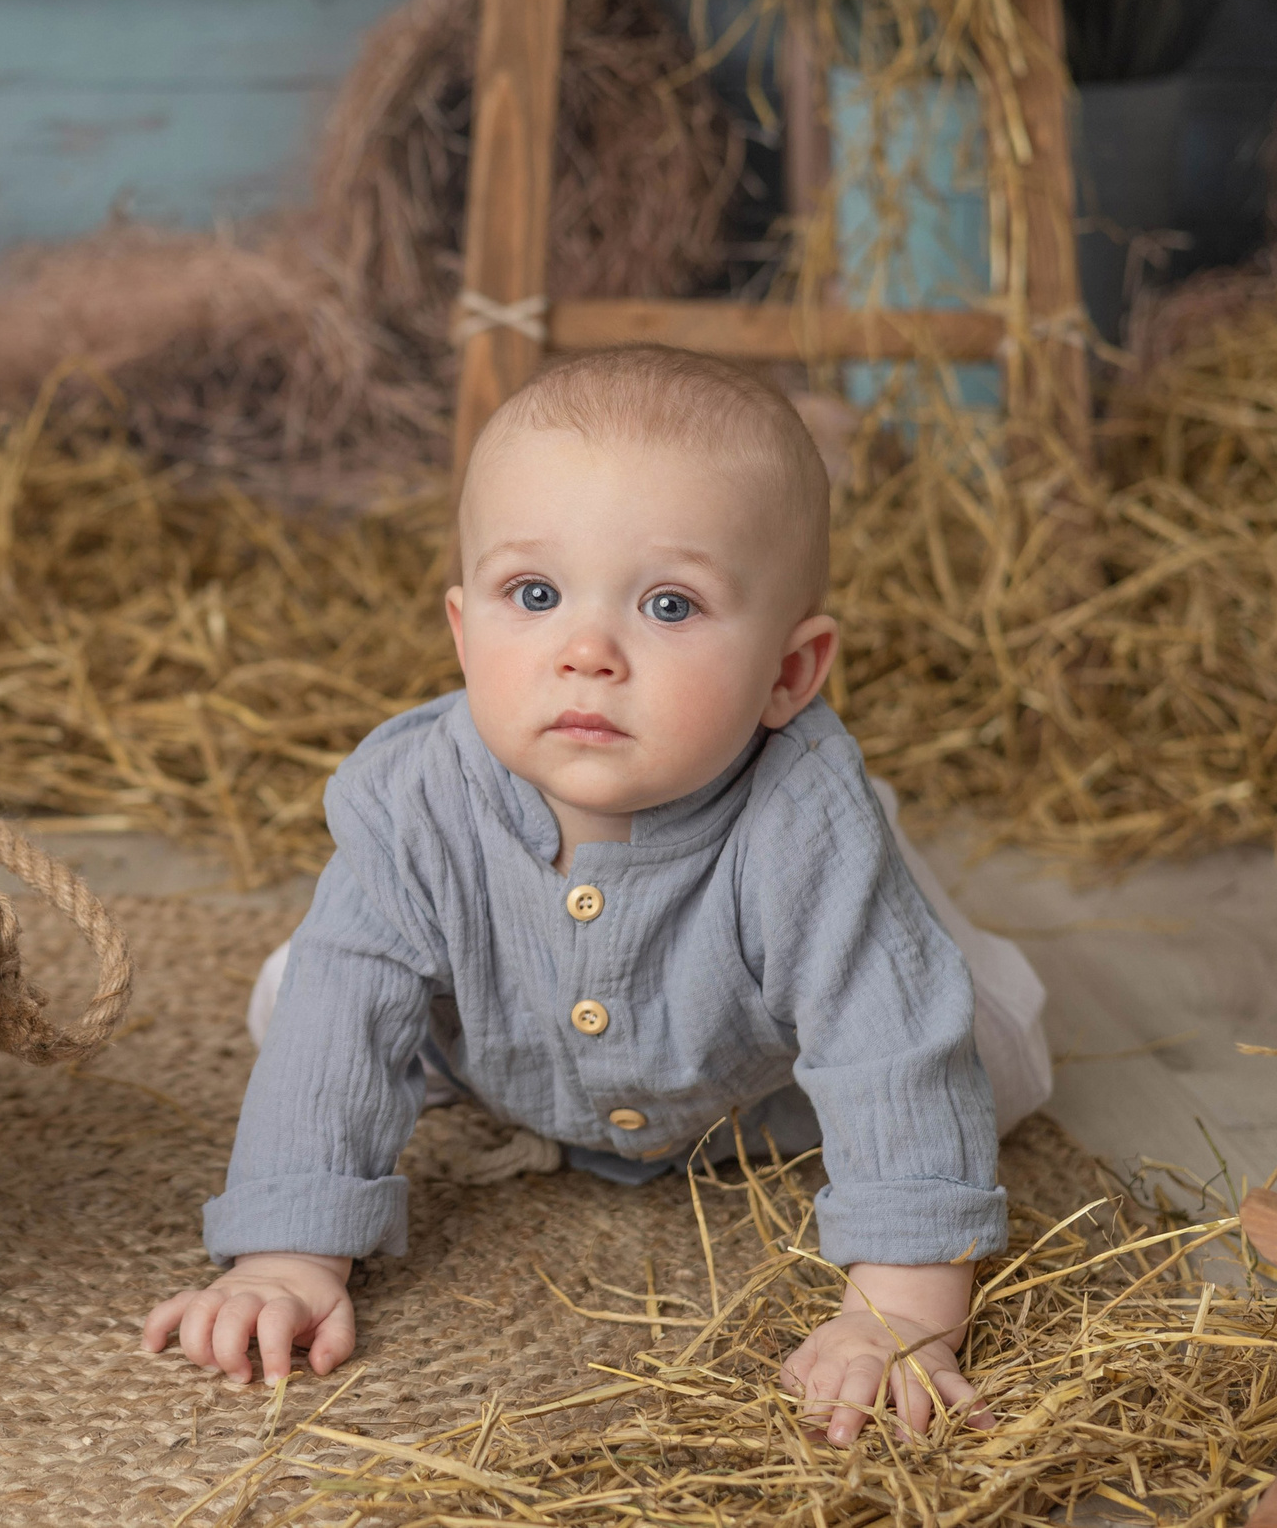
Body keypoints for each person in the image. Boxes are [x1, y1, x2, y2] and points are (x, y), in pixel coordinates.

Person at [141, 344, 1051, 1446]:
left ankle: (906, 875)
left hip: (757, 1084)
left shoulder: (800, 825)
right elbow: (342, 1019)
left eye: (669, 604)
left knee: (982, 1057)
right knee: (300, 995)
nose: (585, 651)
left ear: (788, 675)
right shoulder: (412, 797)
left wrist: (896, 1318)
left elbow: (890, 1049)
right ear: (462, 628)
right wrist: (287, 1258)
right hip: (506, 1041)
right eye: (533, 594)